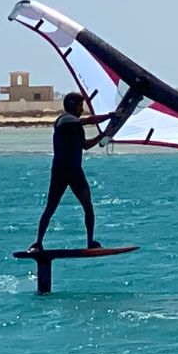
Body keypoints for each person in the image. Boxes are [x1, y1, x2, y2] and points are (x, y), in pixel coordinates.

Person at [29, 92, 116, 253]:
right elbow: (89, 120)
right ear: (71, 105)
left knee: (88, 206)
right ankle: (38, 243)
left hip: (75, 171)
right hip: (60, 172)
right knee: (51, 207)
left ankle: (90, 241)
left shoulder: (77, 127)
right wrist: (111, 116)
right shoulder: (64, 119)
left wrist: (103, 135)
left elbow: (86, 145)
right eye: (80, 106)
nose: (82, 109)